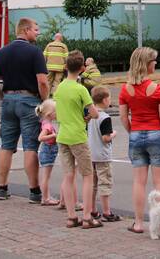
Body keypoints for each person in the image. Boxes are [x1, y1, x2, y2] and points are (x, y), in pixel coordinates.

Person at [0, 17, 49, 202]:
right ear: (26, 30)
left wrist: (2, 97)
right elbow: (43, 81)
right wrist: (45, 101)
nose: (38, 33)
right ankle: (34, 191)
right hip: (29, 101)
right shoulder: (34, 52)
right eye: (36, 29)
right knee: (30, 146)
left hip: (8, 101)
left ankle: (2, 188)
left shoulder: (3, 52)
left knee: (6, 145)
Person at [119, 46, 160, 234]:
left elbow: (123, 118)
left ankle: (137, 223)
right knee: (159, 181)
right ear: (146, 64)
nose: (156, 63)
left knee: (139, 182)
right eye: (154, 61)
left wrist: (132, 132)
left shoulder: (125, 89)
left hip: (136, 135)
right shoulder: (158, 89)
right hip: (156, 135)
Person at [54, 51, 101, 229]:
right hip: (78, 136)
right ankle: (88, 216)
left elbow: (58, 110)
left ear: (66, 67)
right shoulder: (81, 89)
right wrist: (88, 117)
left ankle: (71, 216)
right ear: (82, 68)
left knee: (68, 175)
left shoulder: (60, 87)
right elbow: (94, 112)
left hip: (63, 134)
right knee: (88, 176)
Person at [87, 85, 120, 222]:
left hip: (91, 154)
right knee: (105, 183)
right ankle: (106, 211)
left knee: (93, 184)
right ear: (105, 100)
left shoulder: (90, 116)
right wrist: (113, 134)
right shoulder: (105, 117)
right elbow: (105, 138)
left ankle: (93, 209)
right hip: (103, 156)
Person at [35, 98, 61, 206]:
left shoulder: (46, 122)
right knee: (46, 176)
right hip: (48, 150)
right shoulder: (47, 126)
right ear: (50, 114)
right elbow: (40, 138)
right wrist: (54, 135)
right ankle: (45, 198)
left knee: (46, 176)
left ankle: (46, 197)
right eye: (56, 112)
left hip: (48, 150)